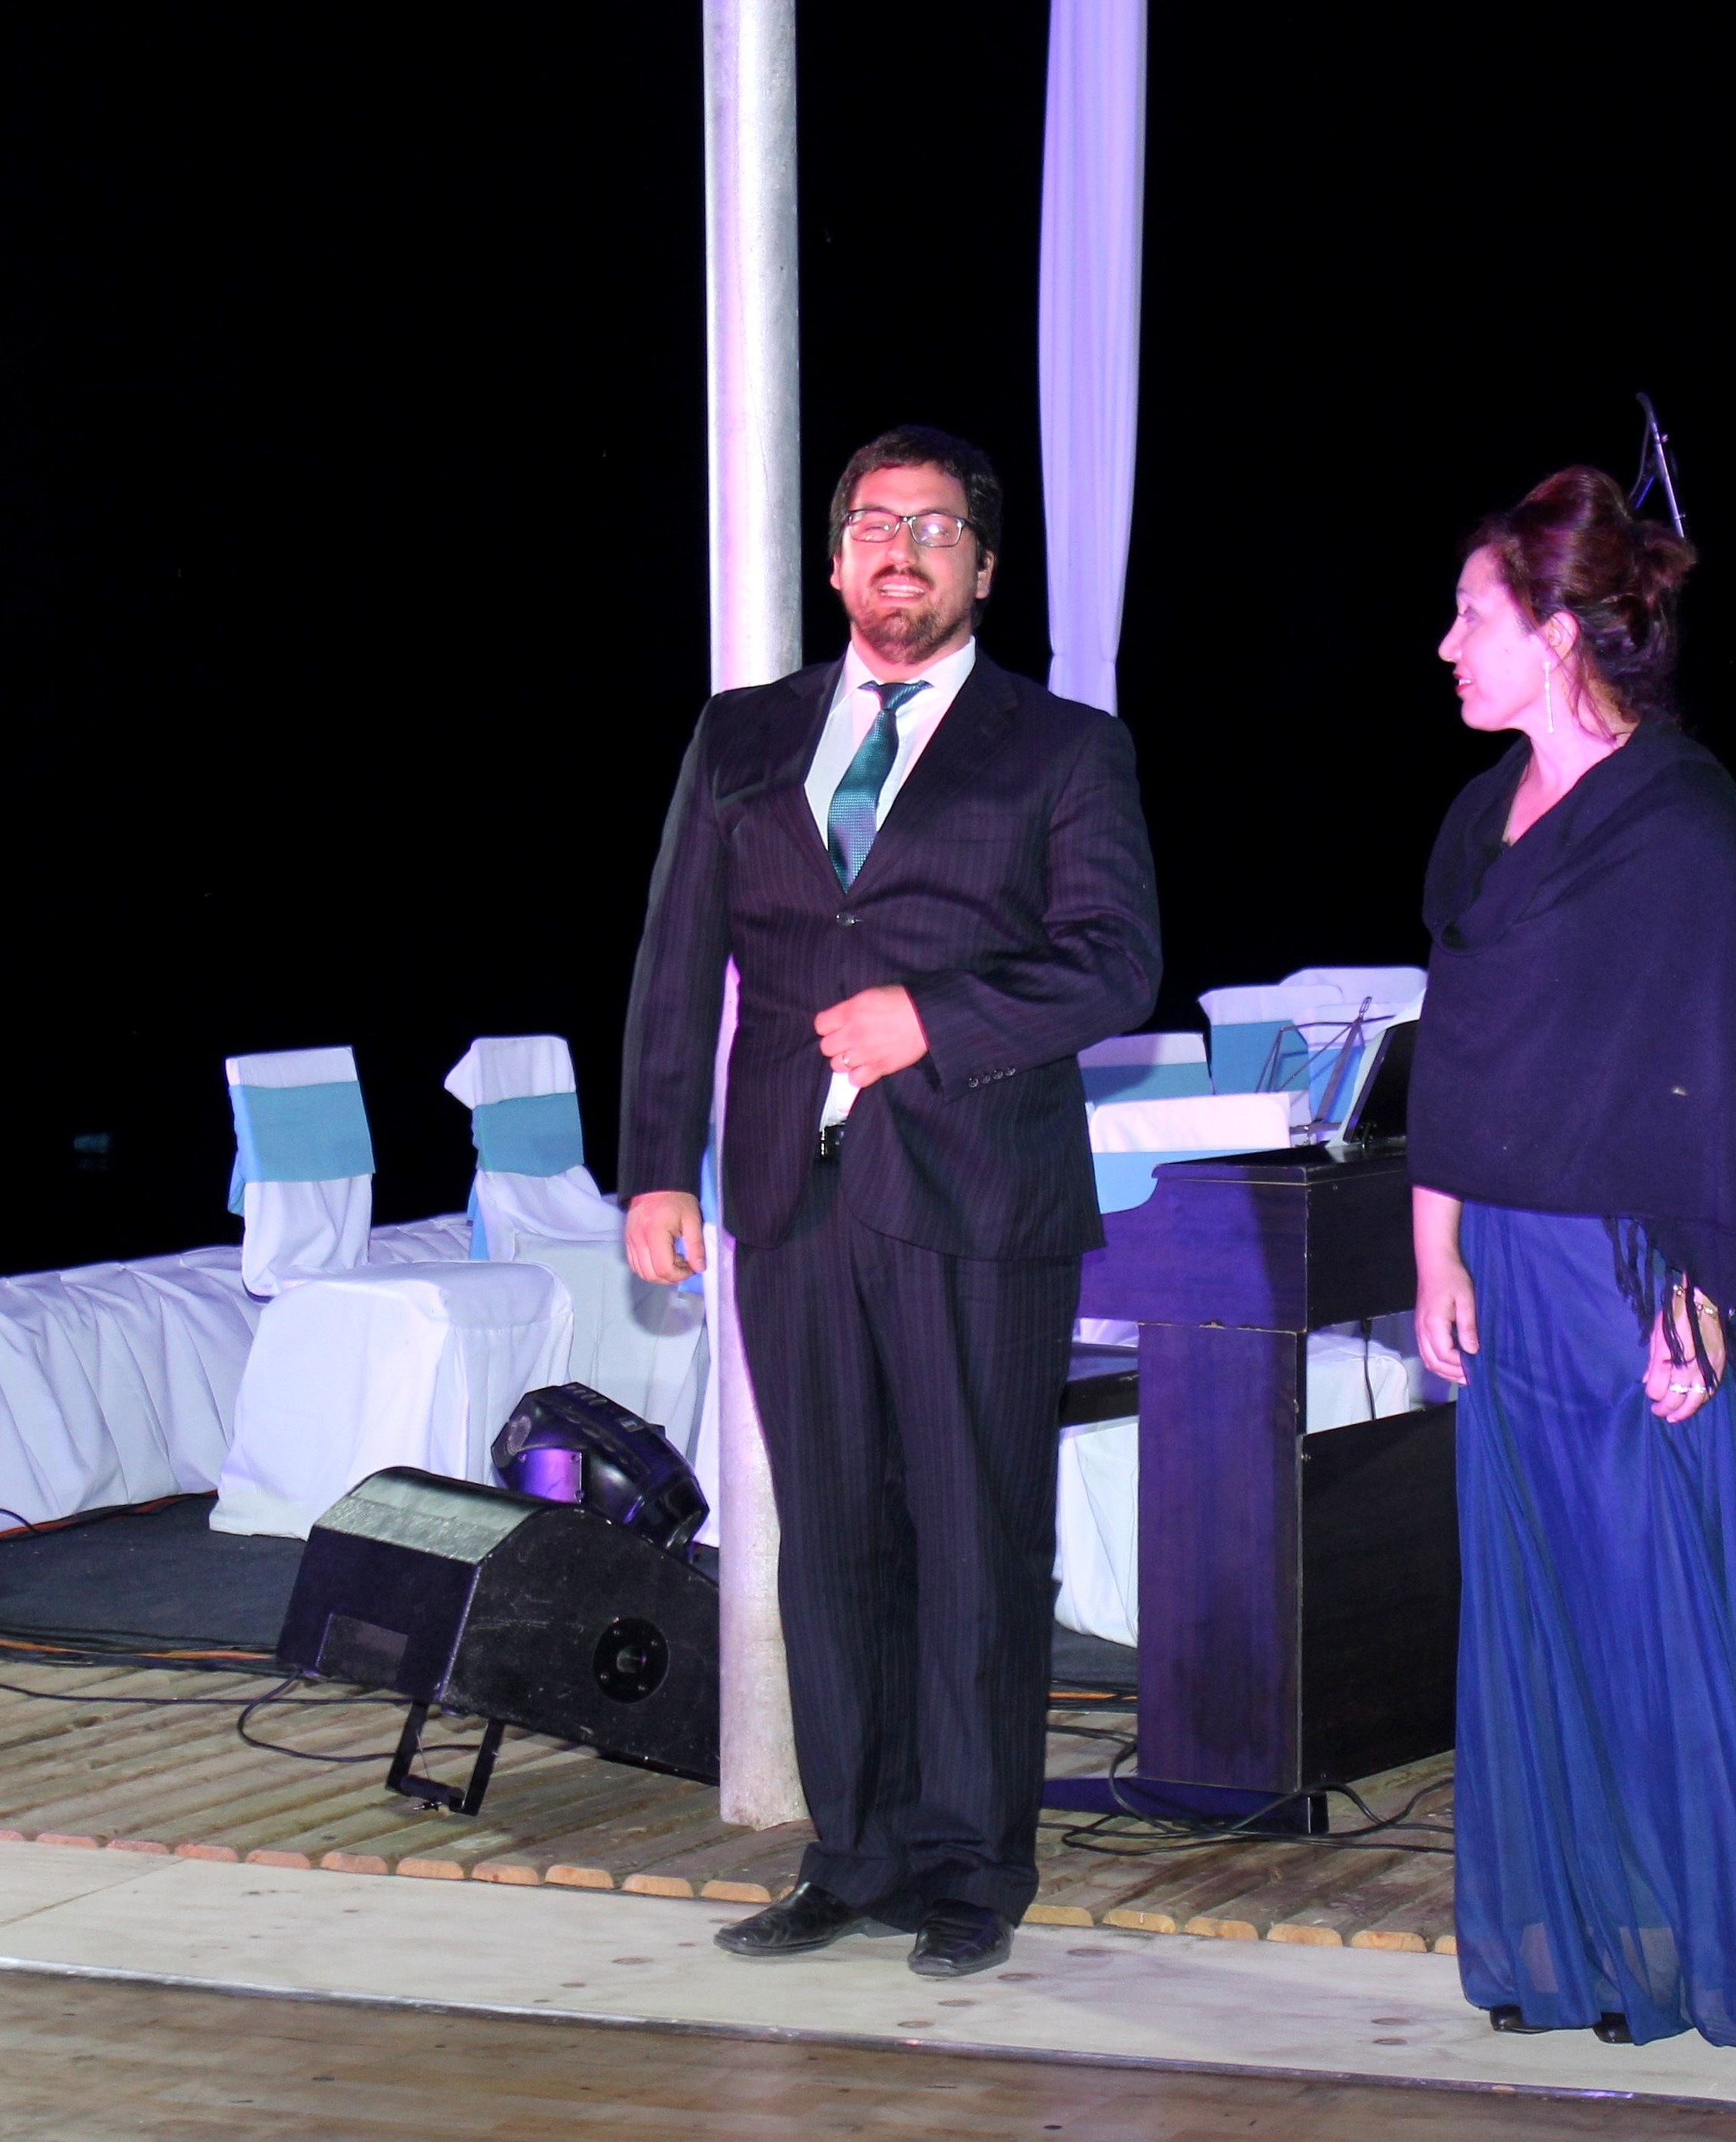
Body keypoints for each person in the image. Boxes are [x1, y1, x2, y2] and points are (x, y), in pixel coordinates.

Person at [618, 425, 1162, 1979]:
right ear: (837, 554)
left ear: (983, 566)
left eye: (933, 528)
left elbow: (1118, 962)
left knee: (977, 1534)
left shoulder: (1061, 748)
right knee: (829, 1537)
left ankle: (974, 1865)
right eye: (873, 523)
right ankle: (853, 1852)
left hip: (977, 1191)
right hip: (790, 1196)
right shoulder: (741, 733)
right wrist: (655, 1162)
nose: (899, 551)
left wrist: (934, 1016)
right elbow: (677, 960)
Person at [1407, 465, 1736, 2052]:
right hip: (1508, 1261)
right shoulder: (1482, 817)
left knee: (1652, 1614)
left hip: (1633, 1275)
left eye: (1470, 616)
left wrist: (1708, 1297)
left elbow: (1731, 1066)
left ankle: (1702, 1950)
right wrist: (1434, 1246)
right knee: (1540, 1611)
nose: (1446, 645)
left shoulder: (1675, 820)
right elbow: (1456, 1052)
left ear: (1554, 632)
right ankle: (1587, 1945)